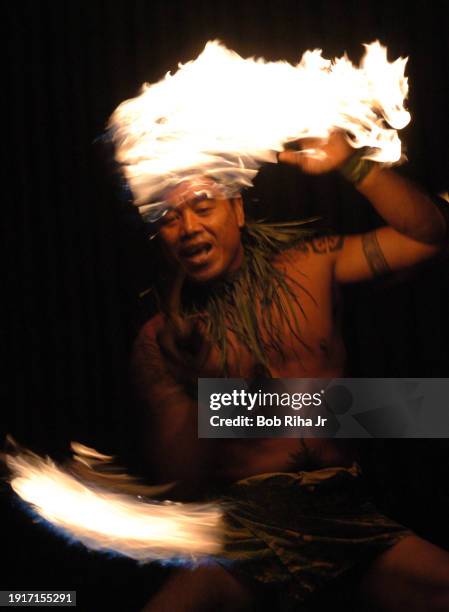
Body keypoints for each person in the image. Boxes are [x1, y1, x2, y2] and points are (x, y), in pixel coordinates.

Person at [131, 132, 449, 611]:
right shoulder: (161, 339)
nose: (188, 227)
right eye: (170, 218)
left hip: (348, 516)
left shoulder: (308, 267)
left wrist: (351, 163)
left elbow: (428, 235)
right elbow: (181, 483)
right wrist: (203, 387)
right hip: (244, 532)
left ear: (237, 210)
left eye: (202, 206)